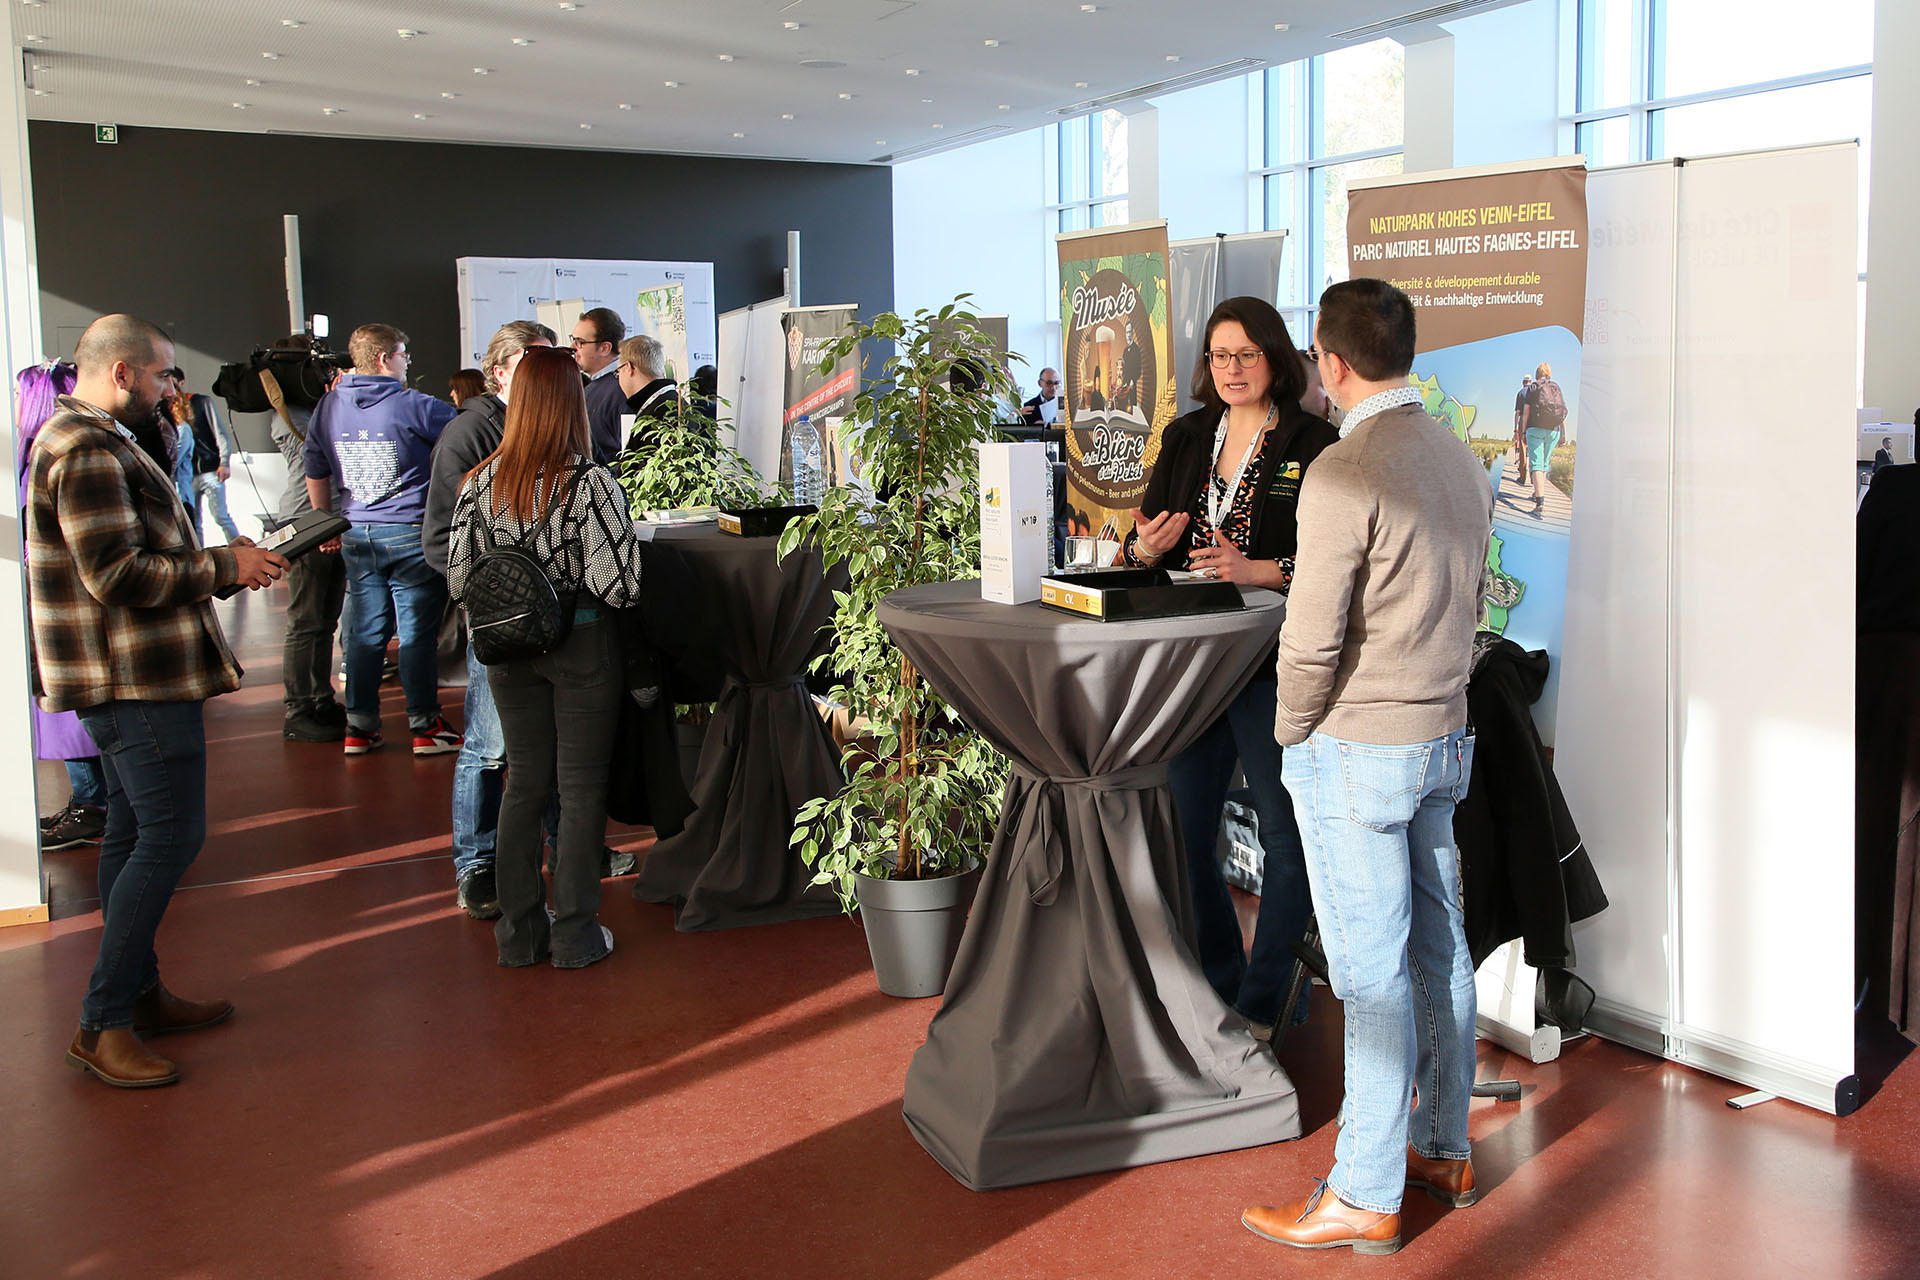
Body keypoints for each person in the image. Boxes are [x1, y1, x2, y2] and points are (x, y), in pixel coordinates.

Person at [1241, 279, 1492, 1255]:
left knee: (1373, 974)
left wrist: (1292, 730)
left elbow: (1311, 639)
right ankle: (1440, 1145)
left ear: (1329, 362)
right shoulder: (1461, 459)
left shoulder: (1347, 471)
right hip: (1441, 740)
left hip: (1358, 750)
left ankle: (1363, 1188)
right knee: (1438, 950)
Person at [26, 314, 287, 1088]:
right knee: (170, 835)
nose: (175, 387)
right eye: (165, 374)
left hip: (132, 675)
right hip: (130, 678)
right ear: (122, 373)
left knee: (134, 830)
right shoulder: (84, 449)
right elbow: (117, 575)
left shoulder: (98, 439)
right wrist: (225, 566)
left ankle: (136, 995)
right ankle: (101, 1021)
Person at [1122, 296, 1337, 1038]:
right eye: (1220, 355)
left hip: (1272, 661)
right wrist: (1144, 551)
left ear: (1277, 359)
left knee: (1284, 835)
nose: (1233, 368)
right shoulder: (1185, 436)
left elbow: (1337, 562)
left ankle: (1268, 1001)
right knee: (1183, 829)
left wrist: (1258, 568)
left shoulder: (1315, 442)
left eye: (1247, 353)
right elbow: (1139, 546)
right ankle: (1220, 983)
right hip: (1191, 660)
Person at [446, 347, 646, 969]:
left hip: (507, 653)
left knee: (523, 786)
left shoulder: (480, 482)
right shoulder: (588, 483)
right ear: (572, 405)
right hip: (583, 646)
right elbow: (622, 585)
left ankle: (521, 935)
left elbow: (458, 580)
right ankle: (578, 934)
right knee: (581, 791)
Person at [424, 319, 554, 920]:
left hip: (550, 619)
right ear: (500, 370)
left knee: (549, 740)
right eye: (535, 364)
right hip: (499, 620)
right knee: (487, 743)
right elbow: (444, 542)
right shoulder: (469, 434)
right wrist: (494, 600)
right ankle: (476, 864)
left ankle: (564, 844)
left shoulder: (546, 426)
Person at [302, 322, 462, 756]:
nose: (407, 362)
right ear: (383, 358)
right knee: (415, 636)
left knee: (365, 633)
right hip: (410, 532)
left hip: (356, 533)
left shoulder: (329, 406)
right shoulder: (418, 406)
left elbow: (315, 468)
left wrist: (325, 524)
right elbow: (466, 448)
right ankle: (424, 726)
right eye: (403, 354)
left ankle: (360, 726)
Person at [16, 360, 110, 849]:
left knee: (74, 712)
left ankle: (94, 805)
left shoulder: (48, 458)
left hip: (62, 609)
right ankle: (91, 801)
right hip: (63, 606)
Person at [269, 364, 349, 741]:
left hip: (326, 520)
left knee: (324, 622)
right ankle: (298, 707)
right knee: (306, 621)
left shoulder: (311, 411)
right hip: (307, 523)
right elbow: (316, 458)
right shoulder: (294, 417)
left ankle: (319, 698)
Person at [173, 370, 243, 543]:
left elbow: (220, 433)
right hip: (188, 474)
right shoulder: (170, 408)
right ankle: (200, 553)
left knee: (221, 516)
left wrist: (224, 461)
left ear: (182, 382)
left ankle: (241, 547)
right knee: (193, 521)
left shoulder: (201, 401)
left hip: (211, 469)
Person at [571, 306, 627, 465]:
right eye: (573, 339)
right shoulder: (590, 385)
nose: (573, 347)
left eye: (580, 342)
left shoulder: (622, 387)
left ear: (605, 348)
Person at [615, 333, 680, 453]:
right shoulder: (675, 402)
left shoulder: (657, 412)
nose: (618, 378)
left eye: (618, 372)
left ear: (629, 368)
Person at [1518, 361, 1565, 516]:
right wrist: (1563, 433)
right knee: (1544, 463)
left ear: (1537, 374)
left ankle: (1540, 503)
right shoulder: (1555, 387)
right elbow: (1562, 410)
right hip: (1554, 430)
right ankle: (1538, 492)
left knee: (1536, 464)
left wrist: (1523, 433)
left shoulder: (1532, 388)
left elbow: (1525, 413)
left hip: (1535, 428)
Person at [1512, 374, 1533, 483]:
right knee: (1533, 449)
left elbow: (1517, 412)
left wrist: (1515, 428)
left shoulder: (1520, 393)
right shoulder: (1535, 391)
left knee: (1523, 448)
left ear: (1523, 382)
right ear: (1531, 381)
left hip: (1523, 422)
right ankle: (1534, 478)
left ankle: (1523, 476)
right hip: (1534, 422)